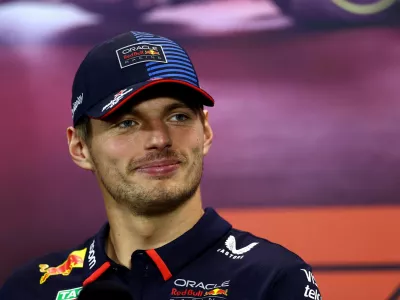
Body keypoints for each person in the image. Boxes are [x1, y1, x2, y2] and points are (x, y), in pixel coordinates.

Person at [0, 30, 322, 300]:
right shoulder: (31, 289)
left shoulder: (272, 280)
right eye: (126, 123)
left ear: (206, 131)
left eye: (178, 116)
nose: (159, 139)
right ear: (80, 147)